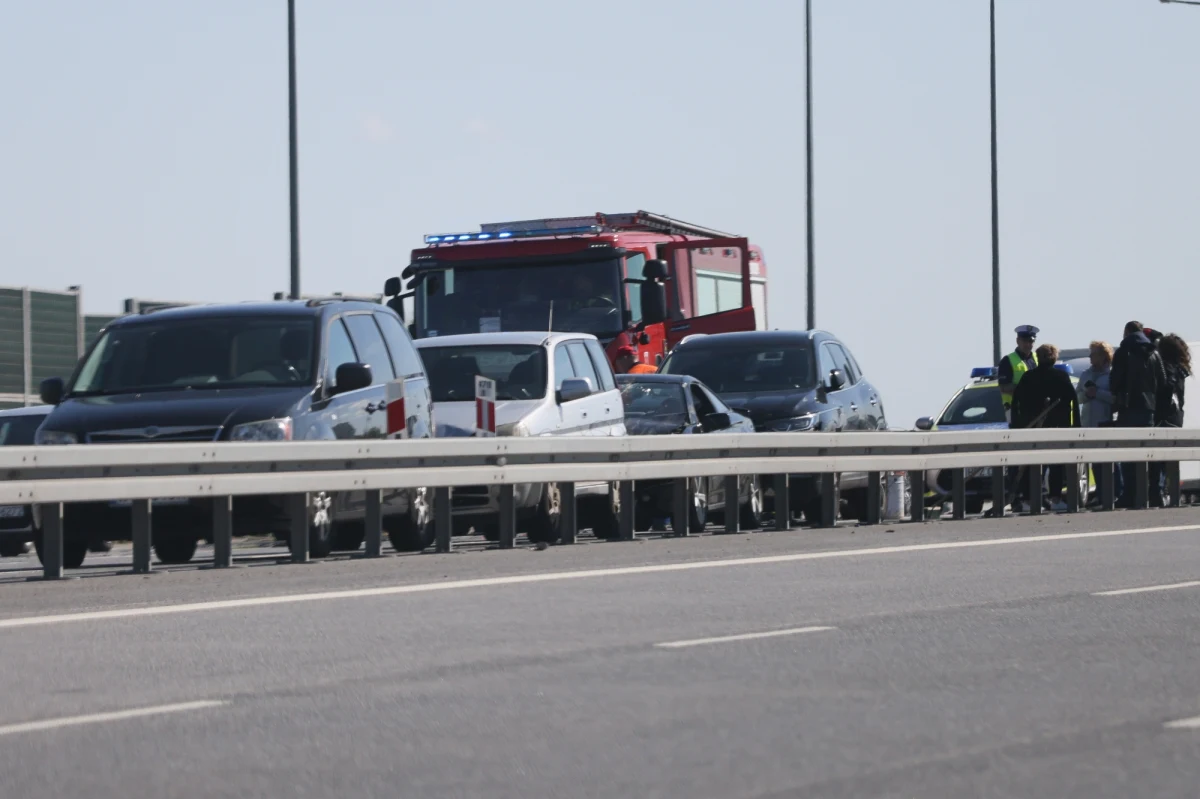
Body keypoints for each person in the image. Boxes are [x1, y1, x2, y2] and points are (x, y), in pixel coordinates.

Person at [1011, 343, 1080, 511]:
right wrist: (1076, 426)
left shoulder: (1028, 377)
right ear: (1054, 358)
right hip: (1056, 428)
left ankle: (1028, 499)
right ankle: (1055, 498)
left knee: (1030, 463)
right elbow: (1074, 402)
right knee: (1056, 464)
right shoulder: (1061, 377)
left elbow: (1015, 402)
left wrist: (1017, 425)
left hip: (1032, 428)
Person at [1110, 321, 1167, 506]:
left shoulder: (1123, 352)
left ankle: (1130, 494)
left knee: (1127, 454)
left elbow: (1114, 382)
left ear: (1126, 332)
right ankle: (1151, 493)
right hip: (1148, 409)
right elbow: (1163, 380)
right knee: (1147, 453)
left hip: (1128, 408)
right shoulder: (1154, 352)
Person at [1151, 334, 1191, 505]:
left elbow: (1166, 390)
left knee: (1159, 458)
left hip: (1164, 416)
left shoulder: (1166, 366)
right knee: (1170, 459)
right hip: (1176, 417)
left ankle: (1159, 492)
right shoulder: (1181, 368)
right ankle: (1169, 492)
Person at [998, 325, 1039, 422]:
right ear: (1018, 341)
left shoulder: (1037, 358)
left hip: (1036, 408)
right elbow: (1003, 387)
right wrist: (1025, 388)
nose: (1028, 344)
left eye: (1031, 341)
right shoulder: (1007, 360)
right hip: (1015, 409)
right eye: (1025, 341)